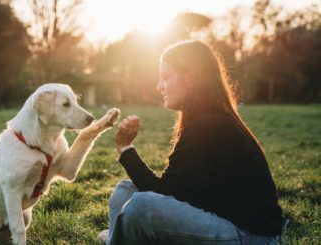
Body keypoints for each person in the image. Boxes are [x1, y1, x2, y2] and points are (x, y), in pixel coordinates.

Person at [98, 40, 285, 244]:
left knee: (141, 207)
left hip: (252, 237)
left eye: (165, 77)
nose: (159, 86)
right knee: (125, 190)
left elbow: (162, 193)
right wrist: (127, 150)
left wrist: (126, 148)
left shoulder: (211, 125)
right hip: (221, 218)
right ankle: (118, 237)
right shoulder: (204, 120)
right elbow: (176, 192)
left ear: (189, 78)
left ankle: (116, 238)